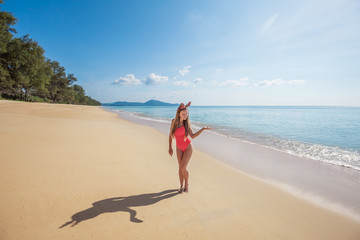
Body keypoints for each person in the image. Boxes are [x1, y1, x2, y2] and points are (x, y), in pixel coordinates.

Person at [168, 102, 211, 193]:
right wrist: (170, 147)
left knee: (183, 167)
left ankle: (186, 185)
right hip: (178, 147)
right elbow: (170, 134)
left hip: (188, 147)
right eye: (183, 114)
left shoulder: (186, 124)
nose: (185, 116)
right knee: (180, 168)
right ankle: (181, 186)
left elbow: (193, 136)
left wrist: (202, 129)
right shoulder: (173, 122)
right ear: (179, 113)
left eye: (187, 114)